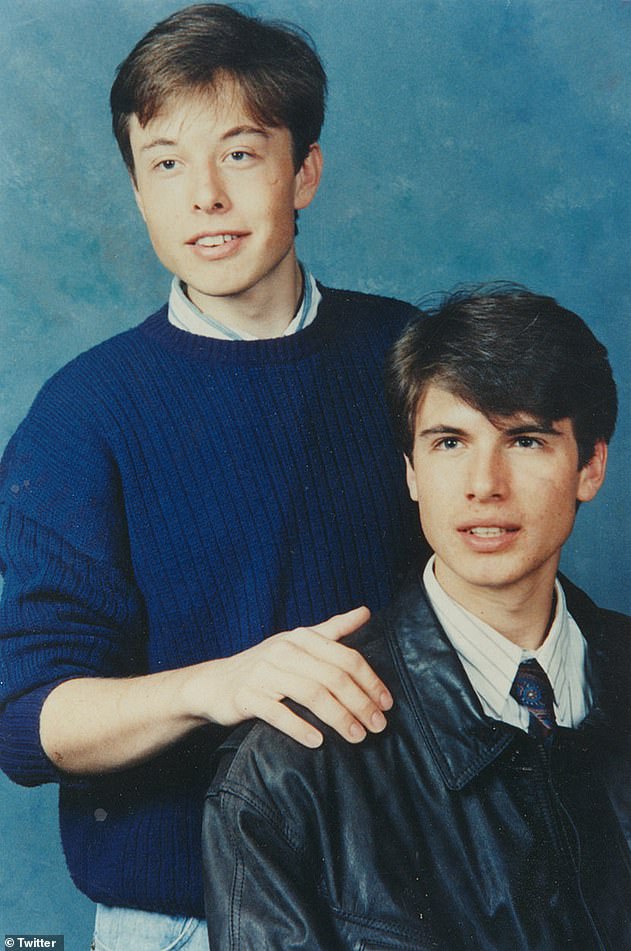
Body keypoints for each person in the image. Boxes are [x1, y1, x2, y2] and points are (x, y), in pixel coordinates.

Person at [0, 4, 423, 947]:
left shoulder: (408, 359)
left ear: (302, 170)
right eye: (165, 164)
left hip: (403, 889)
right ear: (139, 193)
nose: (204, 197)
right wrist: (220, 683)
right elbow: (29, 717)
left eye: (238, 154)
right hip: (174, 920)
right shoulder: (82, 416)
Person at [203, 285, 631, 951]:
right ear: (409, 470)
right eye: (448, 441)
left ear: (590, 466)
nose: (483, 483)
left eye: (523, 440)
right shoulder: (291, 763)